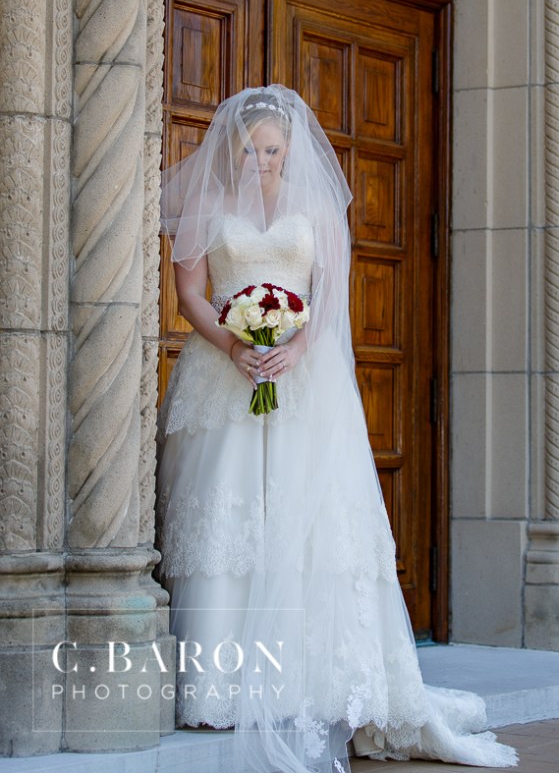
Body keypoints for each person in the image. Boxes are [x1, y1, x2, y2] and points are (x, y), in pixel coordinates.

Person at [156, 85, 517, 771]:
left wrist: (294, 347)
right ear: (231, 149)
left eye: (272, 150)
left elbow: (329, 292)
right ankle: (217, 688)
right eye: (250, 150)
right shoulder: (206, 203)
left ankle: (305, 682)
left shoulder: (315, 205)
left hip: (303, 377)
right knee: (227, 521)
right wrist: (233, 343)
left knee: (304, 519)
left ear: (289, 149)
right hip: (223, 374)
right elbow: (190, 293)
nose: (261, 161)